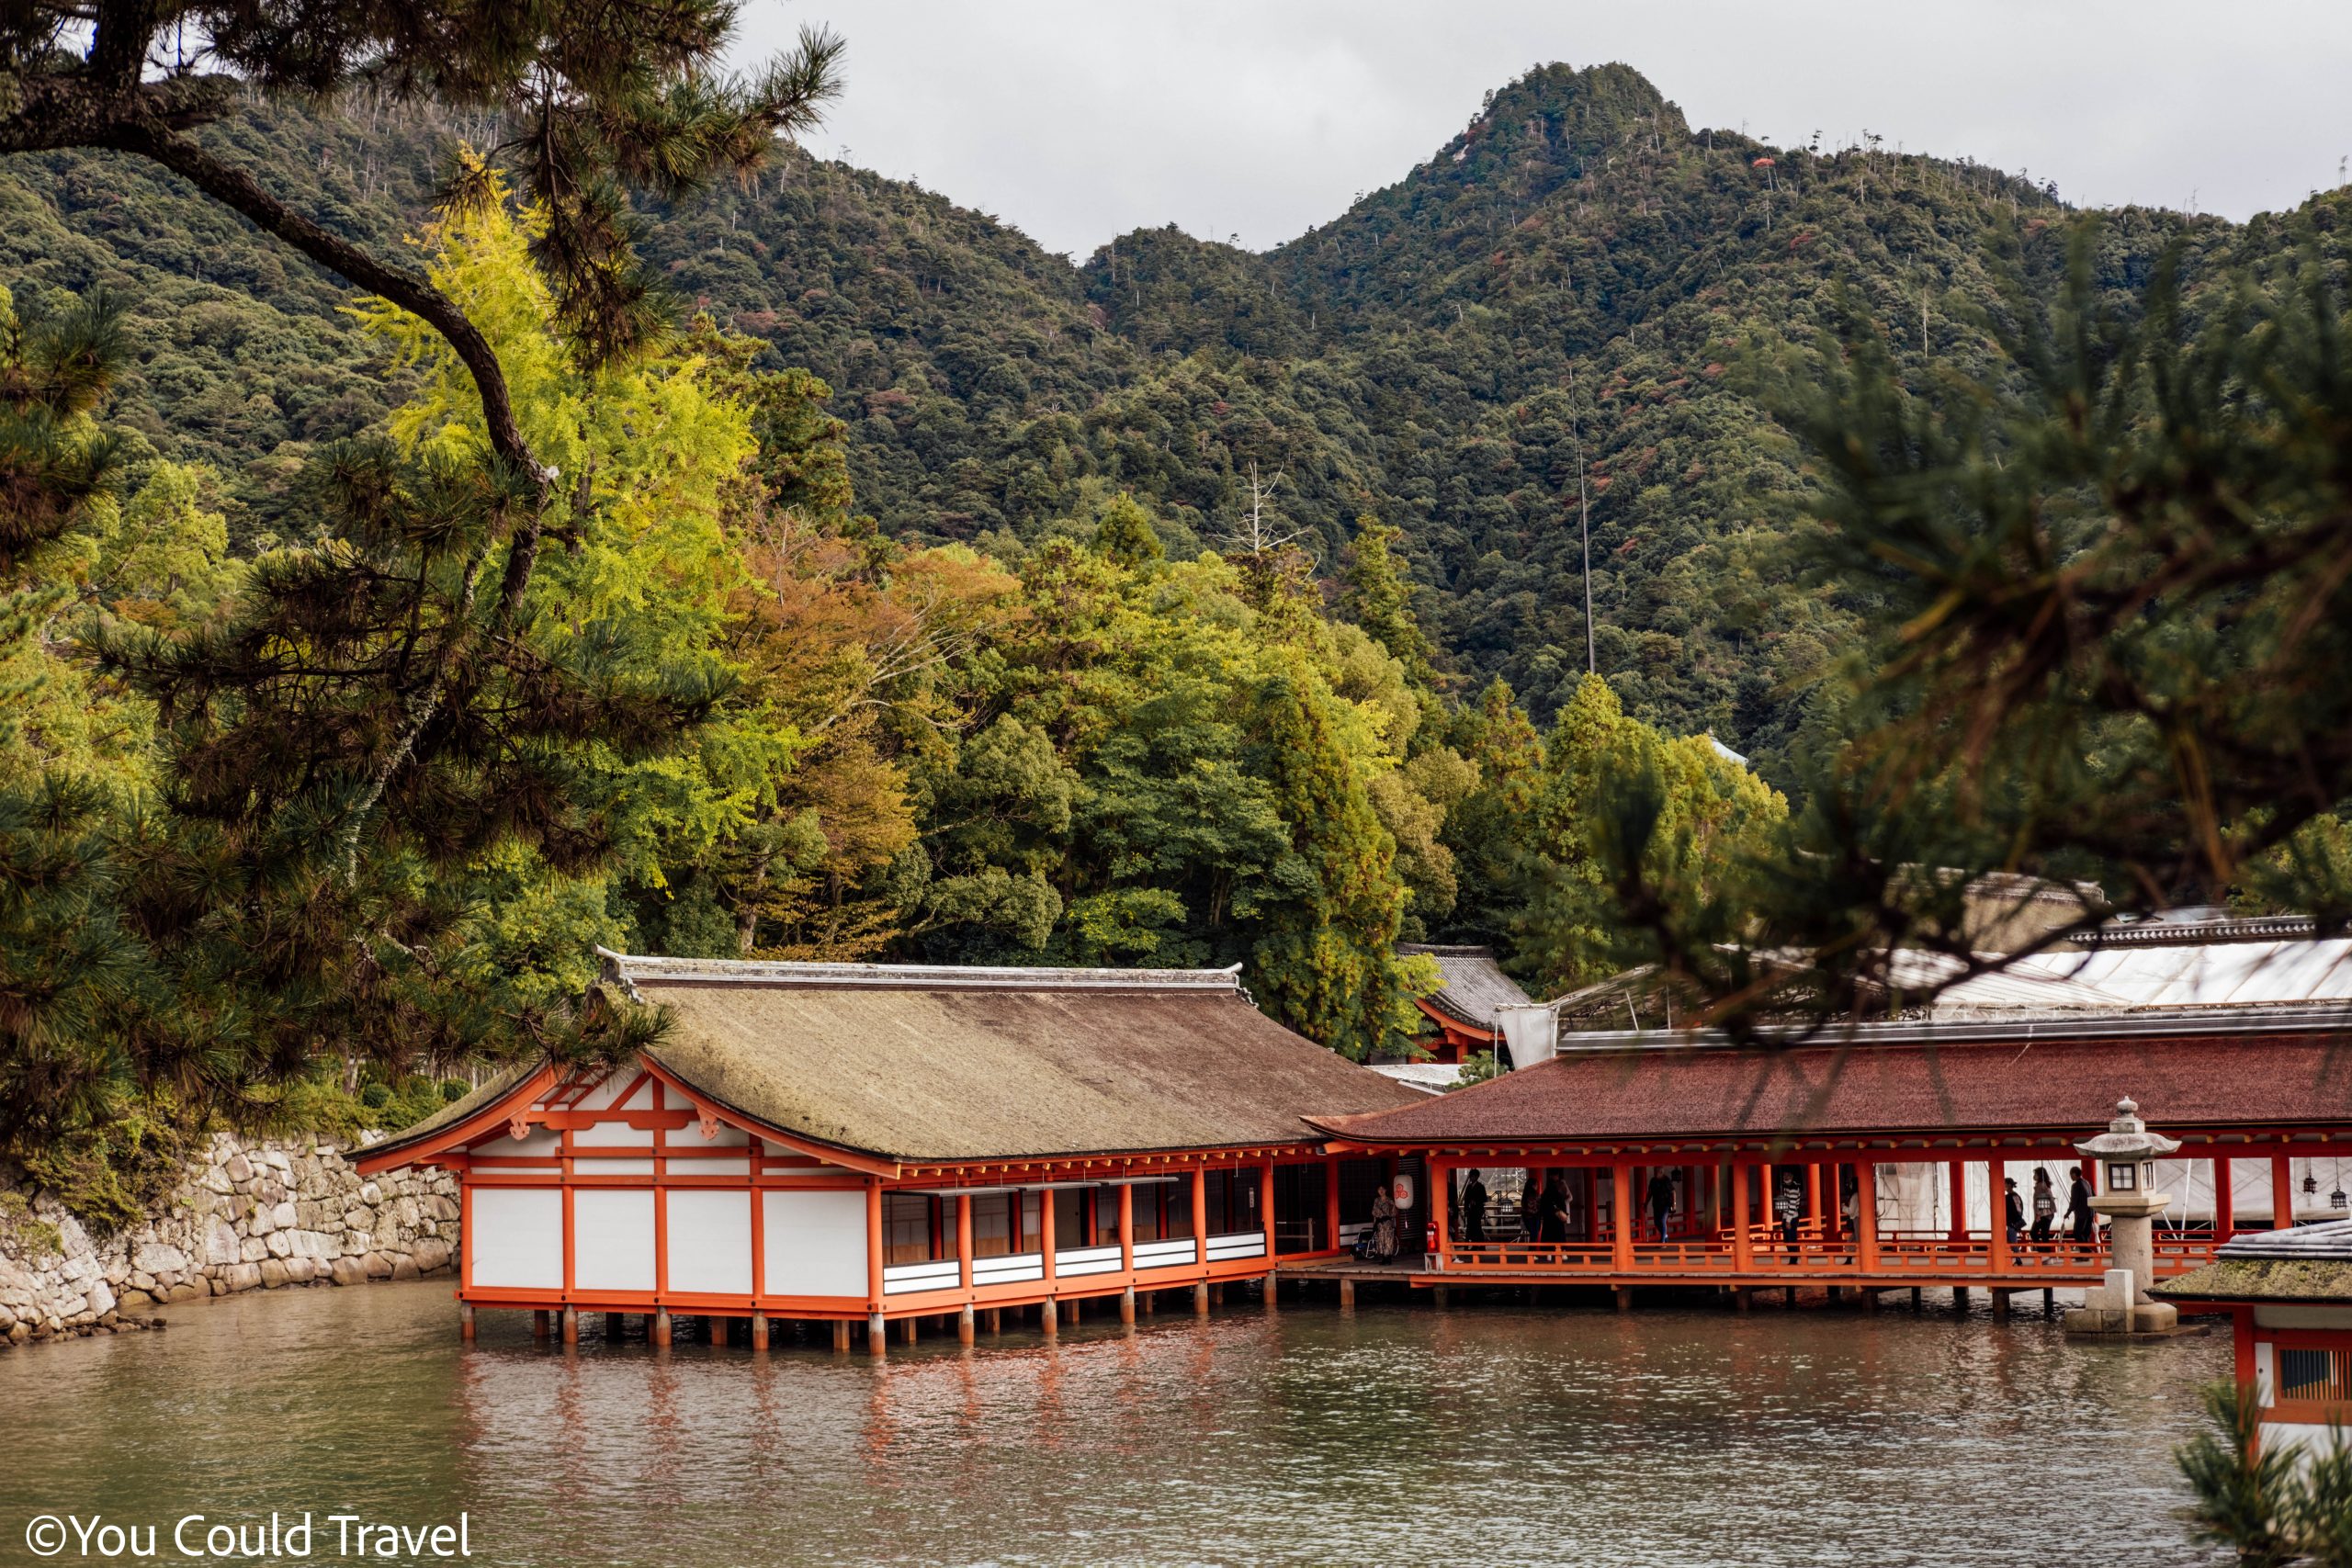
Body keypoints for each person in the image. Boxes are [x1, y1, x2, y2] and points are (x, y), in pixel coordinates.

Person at [1369, 1181, 1400, 1262]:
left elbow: (1394, 1212)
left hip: (1388, 1223)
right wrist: (1375, 1223)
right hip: (1380, 1223)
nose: (1381, 1191)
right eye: (1379, 1189)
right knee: (1380, 1240)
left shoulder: (1390, 1200)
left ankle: (1388, 1258)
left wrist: (1389, 1218)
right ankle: (1383, 1258)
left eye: (1382, 1189)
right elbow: (1374, 1212)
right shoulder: (1376, 1200)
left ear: (1386, 1190)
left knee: (1388, 1240)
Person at [1774, 1170, 1803, 1258]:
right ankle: (1793, 1257)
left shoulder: (1793, 1188)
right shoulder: (1786, 1186)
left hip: (1792, 1217)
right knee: (1787, 1240)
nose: (1786, 1177)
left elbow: (1793, 1206)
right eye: (1784, 1175)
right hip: (1786, 1216)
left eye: (1788, 1175)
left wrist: (1788, 1221)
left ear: (1792, 1176)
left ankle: (1794, 1258)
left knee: (1791, 1240)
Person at [1537, 1172, 1571, 1244]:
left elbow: (1541, 1207)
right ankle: (1562, 1252)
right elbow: (1563, 1204)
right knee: (1559, 1237)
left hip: (1548, 1220)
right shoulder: (1558, 1194)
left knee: (1548, 1238)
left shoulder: (1545, 1194)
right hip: (1557, 1219)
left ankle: (1548, 1253)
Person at [1460, 1168, 1489, 1247]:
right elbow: (1466, 1199)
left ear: (1476, 1177)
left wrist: (1476, 1201)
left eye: (1472, 1176)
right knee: (1470, 1226)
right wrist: (1466, 1209)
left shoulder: (1480, 1186)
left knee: (1477, 1226)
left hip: (1477, 1210)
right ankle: (1472, 1243)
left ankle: (1479, 1244)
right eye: (1470, 1176)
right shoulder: (1469, 1187)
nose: (1470, 1178)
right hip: (1470, 1210)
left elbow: (1484, 1198)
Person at [2066, 1168, 2096, 1245]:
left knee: (2077, 1233)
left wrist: (2068, 1213)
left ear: (2074, 1174)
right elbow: (2094, 1196)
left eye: (2071, 1174)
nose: (2070, 1177)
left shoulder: (2076, 1185)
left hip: (2082, 1213)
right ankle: (2085, 1254)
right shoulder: (2087, 1183)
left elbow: (2074, 1201)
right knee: (2086, 1234)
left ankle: (2087, 1251)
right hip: (2090, 1212)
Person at [2030, 1169, 2057, 1245]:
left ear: (2040, 1176)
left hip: (2043, 1214)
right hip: (2049, 1213)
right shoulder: (2045, 1185)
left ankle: (2042, 1250)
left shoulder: (2040, 1185)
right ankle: (2045, 1251)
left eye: (2036, 1174)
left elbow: (2039, 1200)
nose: (2034, 1176)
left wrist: (2038, 1214)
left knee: (2034, 1232)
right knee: (2044, 1234)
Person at [1647, 1169, 1676, 1241]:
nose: (1655, 1174)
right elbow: (1650, 1193)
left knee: (1662, 1220)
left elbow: (1673, 1192)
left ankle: (1662, 1242)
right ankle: (1665, 1236)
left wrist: (1674, 1205)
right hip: (1656, 1204)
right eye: (1654, 1172)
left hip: (1665, 1204)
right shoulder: (1653, 1180)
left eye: (1656, 1172)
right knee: (1656, 1223)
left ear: (1661, 1173)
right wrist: (1645, 1203)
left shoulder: (1667, 1180)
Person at [2002, 1177, 2027, 1246]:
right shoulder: (2016, 1196)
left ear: (2009, 1185)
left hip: (2012, 1223)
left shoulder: (2008, 1197)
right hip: (2015, 1222)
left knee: (2013, 1243)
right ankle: (2016, 1256)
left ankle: (2018, 1256)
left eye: (2004, 1184)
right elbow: (2019, 1209)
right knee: (2010, 1241)